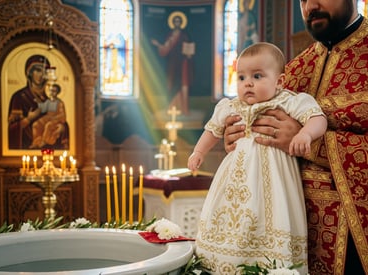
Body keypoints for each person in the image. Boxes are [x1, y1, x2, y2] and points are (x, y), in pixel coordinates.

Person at [223, 1, 368, 274]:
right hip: (286, 234)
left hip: (353, 244)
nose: (311, 6)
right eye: (302, 0)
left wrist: (314, 144)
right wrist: (238, 134)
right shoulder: (292, 70)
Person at [188, 42, 327, 274]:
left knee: (269, 216)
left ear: (279, 81)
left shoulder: (288, 101)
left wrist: (305, 133)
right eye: (241, 77)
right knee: (232, 217)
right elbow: (212, 131)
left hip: (274, 179)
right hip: (236, 176)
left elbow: (317, 117)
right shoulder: (231, 106)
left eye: (257, 76)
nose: (248, 83)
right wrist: (198, 152)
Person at [8, 54, 69, 150]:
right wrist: (28, 119)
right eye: (38, 70)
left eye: (45, 72)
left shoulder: (51, 98)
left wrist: (62, 129)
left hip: (51, 149)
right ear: (29, 73)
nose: (42, 75)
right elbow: (11, 129)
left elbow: (62, 119)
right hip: (25, 151)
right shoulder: (19, 97)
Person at [151, 11, 193, 115]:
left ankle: (184, 109)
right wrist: (158, 45)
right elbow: (165, 49)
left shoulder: (184, 35)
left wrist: (189, 54)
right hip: (172, 64)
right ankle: (171, 107)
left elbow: (188, 48)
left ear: (181, 23)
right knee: (171, 84)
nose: (177, 23)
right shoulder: (170, 36)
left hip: (183, 64)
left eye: (179, 21)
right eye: (175, 21)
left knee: (183, 84)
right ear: (173, 23)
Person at [30, 83, 67, 149]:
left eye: (54, 91)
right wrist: (38, 102)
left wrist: (54, 118)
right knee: (35, 124)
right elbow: (43, 108)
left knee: (48, 125)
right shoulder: (48, 101)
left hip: (56, 120)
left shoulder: (60, 103)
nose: (52, 93)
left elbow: (62, 115)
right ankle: (36, 142)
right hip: (47, 117)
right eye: (51, 91)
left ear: (57, 92)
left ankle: (44, 141)